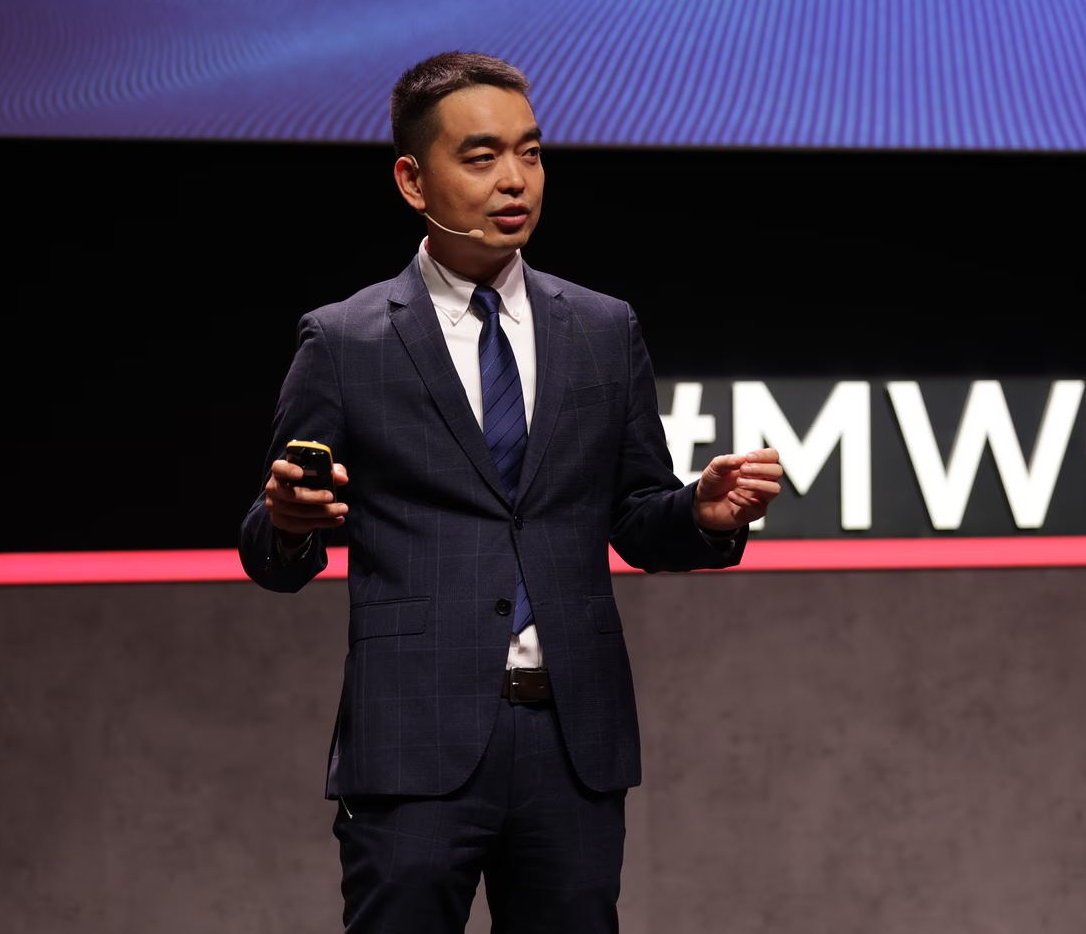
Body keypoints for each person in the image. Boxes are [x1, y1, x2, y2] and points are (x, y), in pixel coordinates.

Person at [239, 51, 785, 933]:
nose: (515, 179)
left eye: (530, 152)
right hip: (414, 743)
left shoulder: (603, 328)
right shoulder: (345, 340)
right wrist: (288, 522)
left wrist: (701, 513)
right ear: (412, 180)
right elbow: (269, 552)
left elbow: (636, 517)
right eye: (482, 155)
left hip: (570, 743)